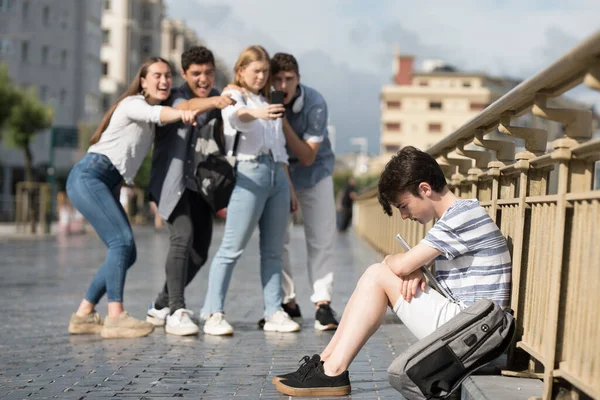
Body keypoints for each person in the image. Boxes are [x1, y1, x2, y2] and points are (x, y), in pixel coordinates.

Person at [272, 146, 512, 396]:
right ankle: (326, 363)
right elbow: (408, 265)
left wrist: (406, 264)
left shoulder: (461, 216)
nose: (404, 215)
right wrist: (411, 266)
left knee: (378, 274)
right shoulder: (458, 215)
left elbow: (400, 265)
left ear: (424, 189)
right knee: (376, 274)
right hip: (471, 328)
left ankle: (333, 371)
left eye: (404, 205)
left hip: (477, 336)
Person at [66, 57, 201, 339]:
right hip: (90, 175)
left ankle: (83, 315)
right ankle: (115, 317)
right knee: (121, 242)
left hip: (105, 182)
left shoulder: (146, 111)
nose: (164, 81)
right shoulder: (134, 105)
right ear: (142, 81)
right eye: (156, 76)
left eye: (168, 76)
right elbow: (159, 115)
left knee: (128, 251)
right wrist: (182, 113)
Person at [200, 45, 301, 336]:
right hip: (248, 173)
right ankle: (213, 312)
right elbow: (236, 117)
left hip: (276, 176)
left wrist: (289, 186)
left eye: (265, 71)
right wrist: (258, 112)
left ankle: (273, 311)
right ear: (240, 70)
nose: (261, 76)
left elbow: (280, 149)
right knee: (231, 248)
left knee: (273, 252)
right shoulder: (234, 96)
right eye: (256, 70)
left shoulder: (267, 99)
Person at [145, 46, 235, 336]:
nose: (203, 79)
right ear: (185, 74)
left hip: (201, 187)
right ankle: (177, 310)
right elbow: (186, 108)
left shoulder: (218, 98)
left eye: (208, 73)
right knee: (181, 239)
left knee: (199, 253)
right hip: (172, 183)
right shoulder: (176, 97)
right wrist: (214, 102)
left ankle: (160, 303)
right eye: (196, 74)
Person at [265, 52, 339, 331]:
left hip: (316, 172)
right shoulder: (264, 100)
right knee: (278, 240)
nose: (283, 86)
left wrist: (281, 122)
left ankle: (323, 303)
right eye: (278, 80)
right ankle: (288, 301)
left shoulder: (315, 103)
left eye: (289, 79)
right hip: (280, 174)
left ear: (298, 80)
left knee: (321, 238)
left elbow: (308, 156)